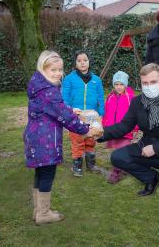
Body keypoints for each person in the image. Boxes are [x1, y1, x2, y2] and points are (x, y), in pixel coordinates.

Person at [98, 63, 159, 202]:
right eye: (145, 83)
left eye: (153, 82)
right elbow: (124, 126)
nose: (149, 86)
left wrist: (156, 148)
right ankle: (152, 179)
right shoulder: (137, 102)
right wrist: (99, 133)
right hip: (146, 144)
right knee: (117, 157)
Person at [24, 50, 98, 225]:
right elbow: (64, 116)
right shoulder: (48, 91)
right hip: (45, 140)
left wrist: (70, 110)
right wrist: (85, 129)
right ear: (43, 70)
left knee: (40, 173)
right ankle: (44, 214)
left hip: (36, 137)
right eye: (53, 70)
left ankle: (38, 211)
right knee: (47, 173)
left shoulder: (39, 86)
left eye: (60, 69)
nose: (58, 73)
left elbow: (55, 110)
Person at [62, 50, 105, 177]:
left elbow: (100, 98)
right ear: (75, 63)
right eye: (79, 60)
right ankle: (77, 166)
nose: (82, 63)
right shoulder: (69, 79)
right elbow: (64, 97)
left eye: (85, 60)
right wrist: (70, 110)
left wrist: (101, 113)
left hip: (92, 117)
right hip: (76, 116)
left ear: (89, 62)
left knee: (90, 139)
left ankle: (91, 165)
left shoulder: (96, 80)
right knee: (77, 140)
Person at [102, 71, 138, 184]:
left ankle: (116, 172)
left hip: (125, 130)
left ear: (125, 85)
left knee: (121, 150)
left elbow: (136, 114)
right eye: (116, 84)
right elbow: (106, 113)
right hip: (113, 130)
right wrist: (104, 125)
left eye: (121, 84)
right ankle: (124, 166)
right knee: (117, 150)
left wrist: (135, 128)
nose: (118, 87)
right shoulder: (110, 97)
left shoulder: (130, 98)